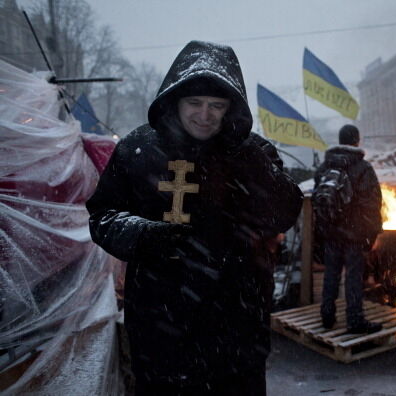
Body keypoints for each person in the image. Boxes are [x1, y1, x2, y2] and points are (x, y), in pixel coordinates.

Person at [86, 41, 303, 395]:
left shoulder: (252, 152)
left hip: (236, 331)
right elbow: (102, 215)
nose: (205, 115)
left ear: (231, 107)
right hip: (162, 328)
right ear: (175, 100)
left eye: (217, 105)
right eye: (195, 103)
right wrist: (141, 234)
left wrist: (247, 153)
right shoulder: (138, 149)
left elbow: (286, 211)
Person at [315, 124, 383, 334]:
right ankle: (355, 320)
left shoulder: (325, 167)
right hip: (354, 233)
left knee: (331, 274)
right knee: (353, 276)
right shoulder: (363, 168)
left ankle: (327, 315)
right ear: (357, 141)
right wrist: (372, 233)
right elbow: (372, 204)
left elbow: (319, 201)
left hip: (331, 231)